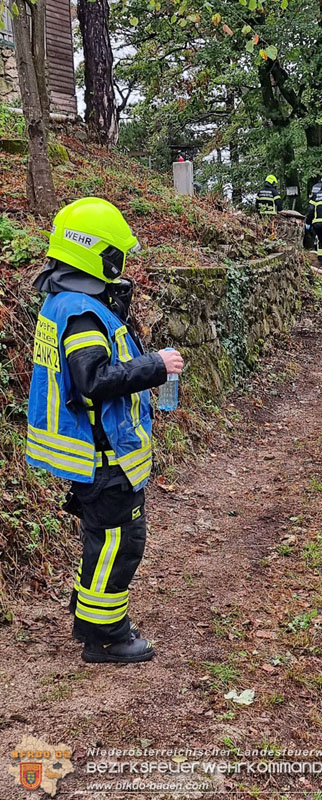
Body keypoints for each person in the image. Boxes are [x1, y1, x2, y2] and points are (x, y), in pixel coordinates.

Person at [26, 197, 184, 664]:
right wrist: (155, 366)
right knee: (120, 543)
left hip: (93, 453)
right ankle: (107, 636)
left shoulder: (66, 301)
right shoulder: (81, 312)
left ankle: (89, 618)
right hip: (103, 456)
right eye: (117, 254)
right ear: (98, 254)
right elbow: (92, 380)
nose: (122, 264)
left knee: (104, 539)